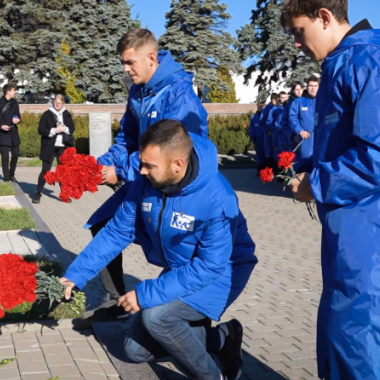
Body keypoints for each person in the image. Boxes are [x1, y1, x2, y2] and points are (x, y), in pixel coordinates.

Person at [285, 0, 380, 379]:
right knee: (351, 340)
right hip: (357, 234)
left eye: (299, 32)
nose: (297, 43)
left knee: (370, 349)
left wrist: (315, 184)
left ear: (325, 17)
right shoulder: (349, 62)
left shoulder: (369, 61)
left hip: (375, 239)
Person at [60, 120, 257, 380]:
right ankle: (221, 338)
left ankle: (212, 376)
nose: (140, 171)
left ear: (178, 164)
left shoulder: (218, 198)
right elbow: (117, 231)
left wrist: (145, 294)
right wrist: (77, 274)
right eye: (141, 162)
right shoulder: (146, 182)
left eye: (149, 165)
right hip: (183, 269)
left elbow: (210, 266)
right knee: (135, 350)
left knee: (158, 318)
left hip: (222, 272)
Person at [86, 28, 208, 321]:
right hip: (145, 177)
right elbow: (127, 137)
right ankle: (116, 302)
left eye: (130, 63)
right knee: (103, 224)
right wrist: (103, 165)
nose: (126, 70)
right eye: (123, 64)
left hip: (177, 186)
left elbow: (170, 149)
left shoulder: (178, 92)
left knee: (181, 248)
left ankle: (196, 321)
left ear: (151, 58)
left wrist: (123, 172)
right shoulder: (138, 91)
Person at [33, 95, 75, 204]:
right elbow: (41, 130)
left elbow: (72, 128)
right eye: (56, 102)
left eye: (60, 103)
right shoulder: (47, 114)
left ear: (63, 104)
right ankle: (37, 194)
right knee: (45, 170)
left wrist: (65, 129)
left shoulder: (66, 114)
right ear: (53, 102)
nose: (57, 105)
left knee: (62, 172)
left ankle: (64, 195)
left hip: (62, 146)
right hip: (49, 145)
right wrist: (54, 130)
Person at [0, 83, 21, 182]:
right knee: (5, 157)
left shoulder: (15, 103)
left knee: (15, 155)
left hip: (13, 132)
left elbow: (18, 115)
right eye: (13, 90)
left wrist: (18, 119)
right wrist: (0, 126)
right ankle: (6, 178)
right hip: (3, 134)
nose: (15, 92)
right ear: (8, 91)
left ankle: (12, 174)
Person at [288, 75, 318, 163]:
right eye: (311, 86)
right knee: (306, 164)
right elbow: (292, 118)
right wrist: (299, 131)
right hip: (306, 140)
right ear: (307, 87)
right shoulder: (298, 102)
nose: (313, 88)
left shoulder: (323, 101)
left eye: (315, 86)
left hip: (320, 138)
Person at [277, 81, 304, 156]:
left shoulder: (307, 102)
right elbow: (284, 123)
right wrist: (293, 136)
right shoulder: (289, 105)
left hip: (307, 138)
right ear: (292, 91)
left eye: (300, 89)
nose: (299, 91)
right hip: (295, 139)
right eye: (296, 89)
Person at [266, 91, 288, 172]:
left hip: (287, 133)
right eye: (282, 97)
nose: (284, 99)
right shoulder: (274, 110)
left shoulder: (289, 107)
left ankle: (287, 171)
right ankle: (280, 171)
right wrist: (275, 128)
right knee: (278, 152)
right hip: (278, 134)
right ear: (278, 98)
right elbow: (269, 122)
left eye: (286, 97)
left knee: (288, 152)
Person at [258, 93, 278, 170]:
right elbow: (261, 123)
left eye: (277, 99)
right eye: (274, 100)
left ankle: (276, 170)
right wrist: (267, 131)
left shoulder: (279, 108)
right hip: (268, 134)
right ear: (272, 100)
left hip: (277, 133)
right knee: (269, 152)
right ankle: (268, 170)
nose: (276, 101)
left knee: (276, 152)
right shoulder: (266, 110)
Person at [247, 101, 266, 174]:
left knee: (266, 155)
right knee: (259, 155)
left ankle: (267, 171)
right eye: (260, 106)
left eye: (263, 106)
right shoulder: (254, 117)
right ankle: (260, 170)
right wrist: (252, 137)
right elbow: (251, 128)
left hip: (266, 139)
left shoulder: (266, 116)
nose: (261, 108)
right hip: (257, 139)